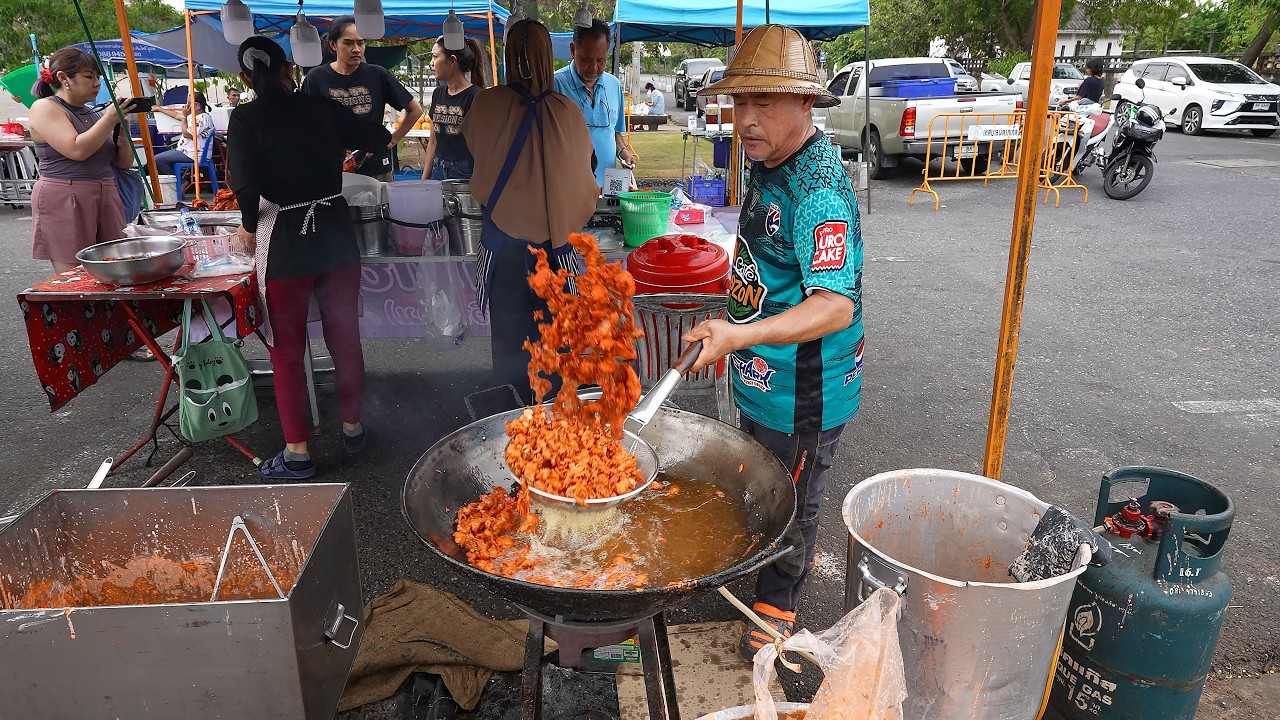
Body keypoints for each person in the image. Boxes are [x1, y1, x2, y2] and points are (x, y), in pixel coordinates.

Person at [682, 24, 864, 661]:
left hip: (805, 391)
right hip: (760, 374)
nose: (746, 119)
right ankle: (758, 571)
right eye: (740, 102)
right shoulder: (764, 162)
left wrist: (737, 335)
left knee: (794, 500)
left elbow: (835, 305)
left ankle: (778, 605)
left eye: (766, 102)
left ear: (807, 103)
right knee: (758, 482)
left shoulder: (820, 189)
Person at [228, 36, 391, 480]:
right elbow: (376, 136)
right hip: (335, 234)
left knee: (286, 350)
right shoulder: (320, 106)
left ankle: (298, 454)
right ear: (289, 70)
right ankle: (353, 430)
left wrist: (247, 223)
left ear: (244, 77)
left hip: (285, 242)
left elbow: (244, 185)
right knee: (344, 337)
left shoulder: (245, 117)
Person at [462, 20, 598, 402]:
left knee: (509, 349)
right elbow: (587, 173)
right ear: (547, 55)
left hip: (503, 252)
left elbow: (470, 152)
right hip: (555, 256)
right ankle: (554, 426)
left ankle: (513, 421)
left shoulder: (486, 104)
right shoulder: (568, 111)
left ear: (507, 56)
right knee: (556, 346)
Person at [27, 47, 137, 274]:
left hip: (105, 193)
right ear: (63, 78)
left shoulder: (92, 113)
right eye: (89, 77)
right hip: (66, 196)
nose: (97, 83)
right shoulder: (45, 107)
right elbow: (77, 150)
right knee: (76, 277)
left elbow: (123, 163)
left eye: (97, 77)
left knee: (117, 270)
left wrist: (123, 130)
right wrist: (108, 119)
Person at [302, 15, 423, 180]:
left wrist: (392, 141)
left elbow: (415, 110)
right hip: (332, 169)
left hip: (376, 168)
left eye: (361, 42)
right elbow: (305, 123)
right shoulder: (316, 78)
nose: (356, 49)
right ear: (333, 44)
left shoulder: (377, 74)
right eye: (348, 42)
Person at [553, 19, 636, 187]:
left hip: (606, 189)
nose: (593, 67)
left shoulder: (614, 86)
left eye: (601, 60)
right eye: (586, 59)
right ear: (572, 50)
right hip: (567, 190)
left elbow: (614, 133)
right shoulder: (554, 85)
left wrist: (623, 152)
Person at [421, 36, 486, 181]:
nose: (431, 63)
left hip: (465, 172)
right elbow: (433, 142)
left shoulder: (475, 96)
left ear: (452, 61)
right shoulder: (438, 93)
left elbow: (482, 148)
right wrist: (424, 180)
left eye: (435, 57)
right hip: (438, 168)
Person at [152, 91, 214, 176]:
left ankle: (180, 183)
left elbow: (186, 134)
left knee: (157, 159)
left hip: (194, 154)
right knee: (162, 158)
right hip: (187, 151)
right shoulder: (195, 116)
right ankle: (180, 181)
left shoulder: (202, 119)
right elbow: (177, 116)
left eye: (188, 103)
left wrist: (184, 116)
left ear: (196, 105)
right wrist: (160, 109)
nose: (186, 105)